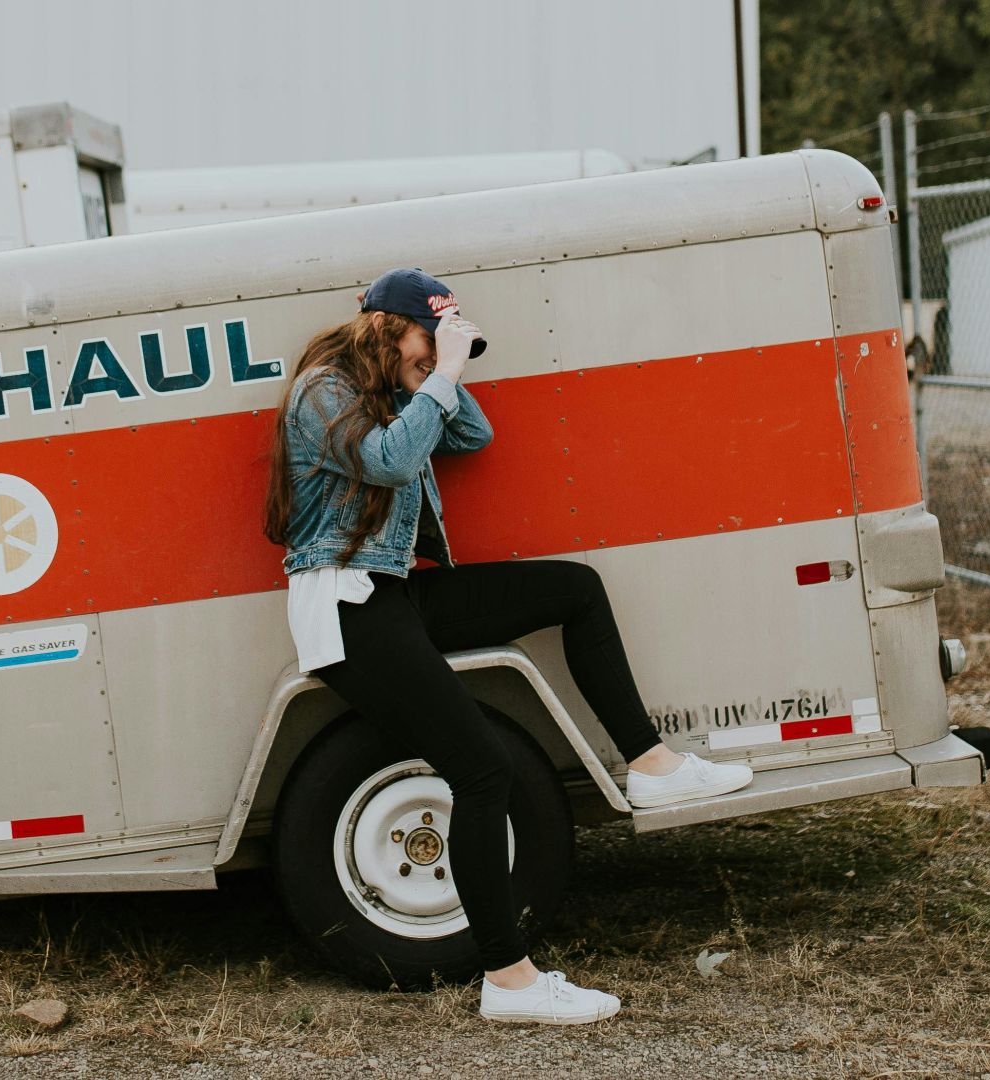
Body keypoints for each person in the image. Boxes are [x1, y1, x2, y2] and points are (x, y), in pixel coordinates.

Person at [261, 268, 754, 1025]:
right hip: (348, 604)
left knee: (575, 589)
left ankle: (652, 767)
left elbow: (471, 433)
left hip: (396, 592)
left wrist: (438, 367)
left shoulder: (397, 388)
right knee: (481, 770)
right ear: (388, 328)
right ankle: (510, 981)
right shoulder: (321, 391)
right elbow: (391, 462)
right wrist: (441, 373)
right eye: (429, 336)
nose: (439, 355)